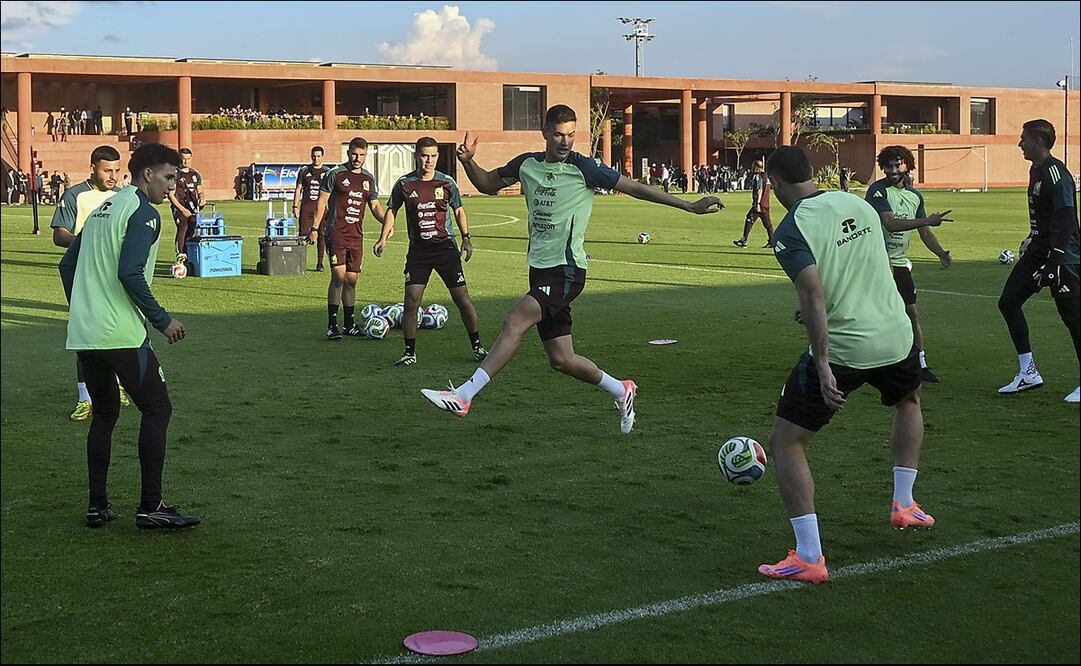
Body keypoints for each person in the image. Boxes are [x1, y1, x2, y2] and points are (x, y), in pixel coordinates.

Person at [420, 105, 722, 433]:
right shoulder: (526, 164)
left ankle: (464, 396)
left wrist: (689, 205)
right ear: (545, 133)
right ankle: (621, 390)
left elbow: (634, 187)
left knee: (514, 320)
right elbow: (488, 184)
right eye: (558, 134)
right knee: (561, 359)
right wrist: (468, 162)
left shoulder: (585, 167)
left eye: (570, 135)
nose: (565, 141)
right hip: (540, 270)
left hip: (567, 270)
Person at [757, 146, 933, 585]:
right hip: (896, 335)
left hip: (846, 349)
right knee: (909, 401)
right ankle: (905, 504)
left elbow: (813, 293)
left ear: (774, 183)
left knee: (786, 442)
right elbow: (867, 268)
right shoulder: (858, 203)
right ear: (811, 172)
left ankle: (809, 557)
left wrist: (821, 363)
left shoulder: (791, 229)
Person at [59, 142, 200, 530]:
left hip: (86, 332)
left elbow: (67, 265)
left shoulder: (103, 209)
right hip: (120, 332)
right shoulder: (143, 212)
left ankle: (97, 505)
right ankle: (151, 505)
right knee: (157, 409)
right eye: (168, 177)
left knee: (105, 414)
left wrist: (84, 307)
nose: (171, 186)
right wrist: (162, 320)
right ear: (147, 174)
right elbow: (130, 273)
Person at [374, 136, 488, 367]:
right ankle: (409, 352)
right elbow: (392, 210)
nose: (429, 160)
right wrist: (383, 237)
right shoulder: (405, 184)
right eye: (425, 156)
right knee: (411, 300)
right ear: (417, 156)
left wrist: (466, 239)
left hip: (446, 249)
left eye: (433, 156)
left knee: (462, 299)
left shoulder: (446, 183)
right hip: (419, 252)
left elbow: (459, 210)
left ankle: (477, 347)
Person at [997, 119, 1080, 403]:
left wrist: (1055, 260)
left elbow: (1066, 218)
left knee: (1074, 319)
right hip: (1038, 251)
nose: (1020, 143)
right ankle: (1028, 372)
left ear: (1038, 141)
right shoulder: (1036, 170)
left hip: (1063, 256)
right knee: (1008, 302)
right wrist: (1032, 237)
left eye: (1024, 139)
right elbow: (1045, 217)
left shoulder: (1056, 173)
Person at [52, 145, 128, 421]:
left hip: (114, 275)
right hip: (83, 275)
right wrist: (89, 243)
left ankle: (117, 387)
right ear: (93, 168)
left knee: (119, 330)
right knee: (86, 336)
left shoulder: (123, 197)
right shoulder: (75, 195)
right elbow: (60, 235)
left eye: (116, 170)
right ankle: (85, 398)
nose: (113, 176)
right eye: (107, 170)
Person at [865, 146, 954, 383]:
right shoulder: (877, 191)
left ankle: (920, 364)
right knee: (876, 314)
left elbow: (924, 232)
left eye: (898, 165)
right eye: (888, 166)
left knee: (911, 313)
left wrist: (941, 253)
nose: (893, 170)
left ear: (907, 165)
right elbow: (891, 223)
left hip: (898, 263)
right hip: (875, 262)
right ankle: (871, 361)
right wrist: (927, 220)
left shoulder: (915, 197)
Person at [311, 137, 388, 339]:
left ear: (366, 155)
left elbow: (375, 206)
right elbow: (321, 202)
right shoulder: (335, 174)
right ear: (348, 153)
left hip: (356, 236)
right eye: (354, 154)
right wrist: (314, 228)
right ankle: (332, 325)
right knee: (338, 277)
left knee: (351, 280)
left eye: (362, 155)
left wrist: (387, 222)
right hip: (336, 233)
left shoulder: (368, 178)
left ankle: (349, 325)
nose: (357, 158)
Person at [166, 147, 204, 273]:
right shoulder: (174, 174)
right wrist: (182, 209)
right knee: (183, 226)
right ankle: (180, 254)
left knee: (192, 229)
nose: (185, 162)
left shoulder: (195, 174)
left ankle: (189, 256)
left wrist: (202, 198)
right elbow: (171, 195)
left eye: (188, 159)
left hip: (192, 207)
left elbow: (200, 191)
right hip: (179, 207)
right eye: (183, 159)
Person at [293, 146, 330, 272]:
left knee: (322, 235)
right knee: (303, 235)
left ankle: (320, 263)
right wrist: (295, 206)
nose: (316, 158)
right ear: (311, 156)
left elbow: (331, 192)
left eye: (318, 156)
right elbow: (298, 189)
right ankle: (299, 262)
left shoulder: (327, 172)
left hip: (322, 209)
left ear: (322, 157)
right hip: (306, 208)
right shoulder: (304, 171)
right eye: (314, 156)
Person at [734, 159, 775, 248]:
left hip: (760, 204)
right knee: (768, 224)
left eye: (753, 167)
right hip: (766, 204)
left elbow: (759, 190)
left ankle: (744, 241)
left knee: (749, 219)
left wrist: (758, 203)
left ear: (757, 167)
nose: (752, 168)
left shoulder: (758, 176)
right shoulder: (767, 176)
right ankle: (772, 241)